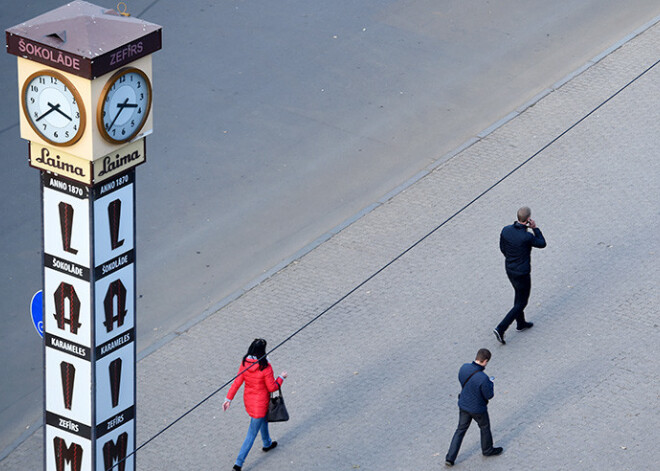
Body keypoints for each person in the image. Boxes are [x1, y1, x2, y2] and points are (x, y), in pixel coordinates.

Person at [223, 339, 288, 471]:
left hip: (249, 401)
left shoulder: (245, 363)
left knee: (262, 420)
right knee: (251, 434)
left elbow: (237, 382)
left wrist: (228, 399)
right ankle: (238, 464)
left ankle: (267, 443)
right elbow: (272, 388)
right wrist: (281, 377)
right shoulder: (265, 367)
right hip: (260, 404)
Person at [493, 206, 546, 344]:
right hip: (522, 273)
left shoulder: (506, 230)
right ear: (528, 220)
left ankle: (521, 323)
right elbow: (542, 243)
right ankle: (501, 328)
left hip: (510, 269)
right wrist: (535, 228)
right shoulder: (527, 236)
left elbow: (502, 248)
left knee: (518, 294)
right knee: (522, 302)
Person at [445, 348, 502, 466]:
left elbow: (462, 381)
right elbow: (489, 395)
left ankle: (450, 457)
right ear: (485, 361)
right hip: (477, 409)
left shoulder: (464, 367)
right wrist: (490, 384)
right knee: (484, 427)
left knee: (460, 430)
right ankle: (487, 450)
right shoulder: (483, 378)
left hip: (464, 405)